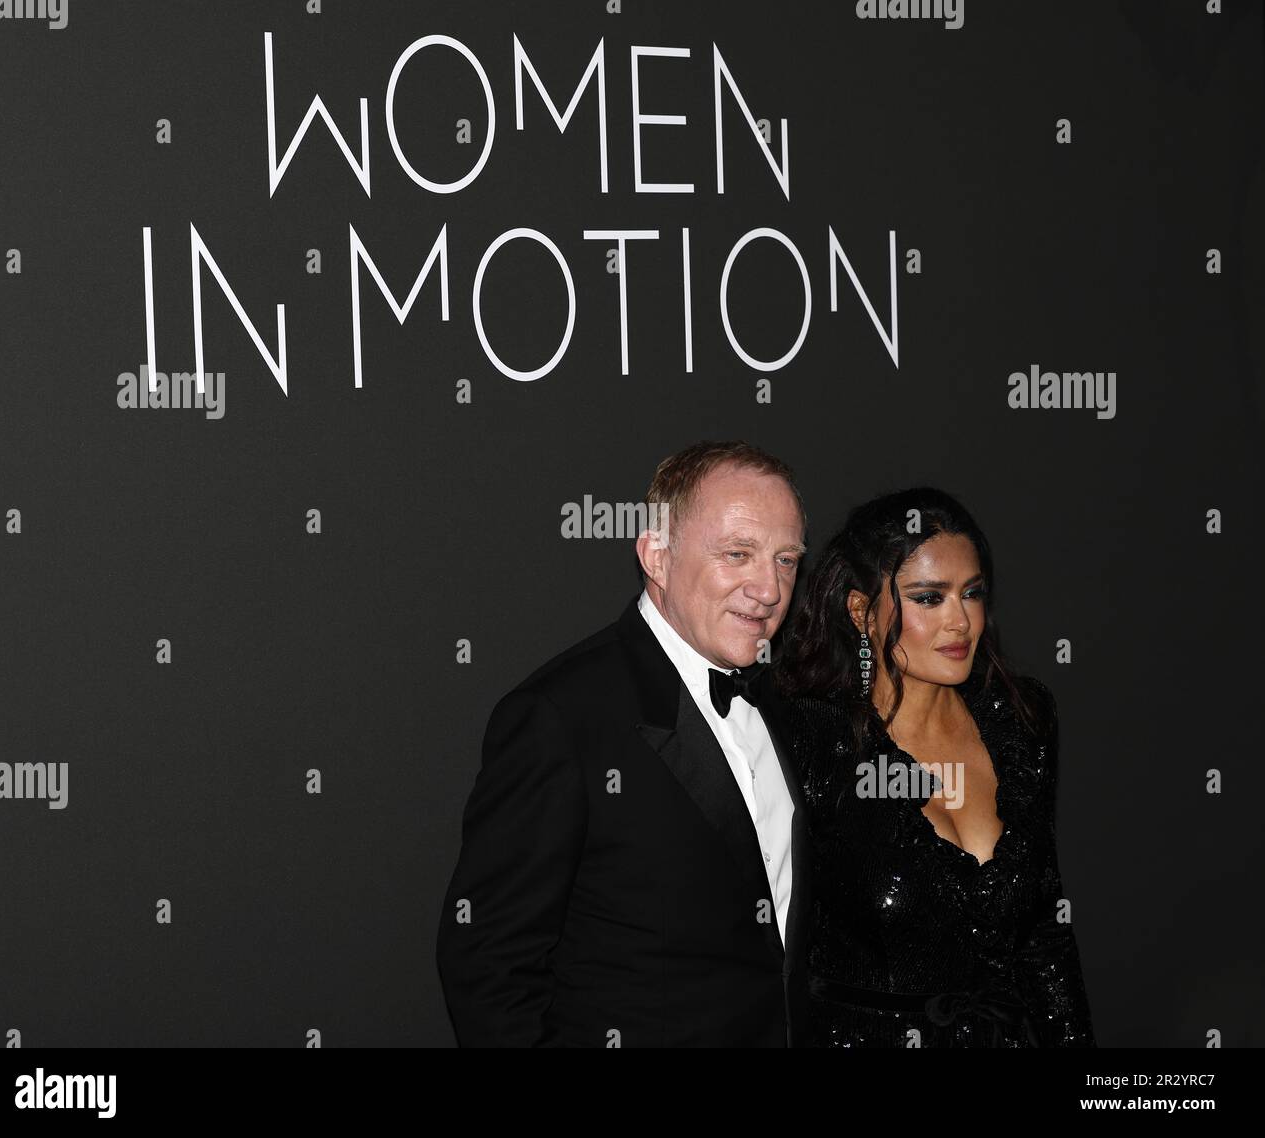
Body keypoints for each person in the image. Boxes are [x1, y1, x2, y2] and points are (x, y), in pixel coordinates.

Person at [436, 440, 812, 1046]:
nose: (768, 589)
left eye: (787, 560)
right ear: (656, 556)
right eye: (737, 554)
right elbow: (489, 967)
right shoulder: (559, 717)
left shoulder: (782, 698)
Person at [774, 487, 1096, 1047]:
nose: (961, 623)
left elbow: (1044, 936)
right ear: (860, 611)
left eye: (971, 594)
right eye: (929, 598)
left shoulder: (1021, 720)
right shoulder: (810, 738)